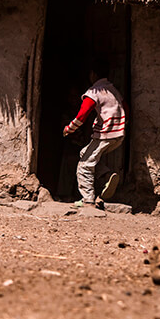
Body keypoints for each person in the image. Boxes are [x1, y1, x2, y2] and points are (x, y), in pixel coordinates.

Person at [63, 61, 126, 208]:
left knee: (84, 166)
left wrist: (69, 128)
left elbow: (82, 115)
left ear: (92, 74)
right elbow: (126, 108)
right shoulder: (114, 90)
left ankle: (88, 199)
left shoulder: (94, 92)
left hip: (105, 134)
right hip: (118, 135)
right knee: (87, 154)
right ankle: (105, 175)